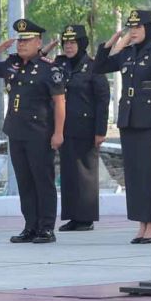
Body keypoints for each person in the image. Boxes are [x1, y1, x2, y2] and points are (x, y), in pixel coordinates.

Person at [0, 19, 66, 243]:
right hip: (16, 131)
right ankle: (30, 226)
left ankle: (46, 227)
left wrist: (59, 133)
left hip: (40, 132)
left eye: (26, 40)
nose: (21, 44)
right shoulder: (12, 64)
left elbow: (60, 102)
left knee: (42, 181)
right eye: (19, 40)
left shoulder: (49, 68)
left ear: (38, 41)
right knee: (24, 181)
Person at [93, 10, 151, 244]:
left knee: (150, 175)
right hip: (129, 122)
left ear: (148, 29)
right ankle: (142, 223)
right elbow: (99, 66)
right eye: (131, 27)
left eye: (137, 28)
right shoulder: (127, 54)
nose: (133, 31)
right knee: (135, 177)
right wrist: (112, 43)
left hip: (150, 123)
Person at [47, 25, 110, 231]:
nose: (68, 47)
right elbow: (36, 62)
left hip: (86, 126)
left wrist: (101, 130)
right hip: (64, 126)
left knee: (85, 173)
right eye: (65, 43)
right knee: (69, 173)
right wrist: (46, 49)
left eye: (73, 43)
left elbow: (102, 100)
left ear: (81, 44)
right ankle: (73, 216)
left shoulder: (93, 66)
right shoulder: (59, 64)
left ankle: (86, 218)